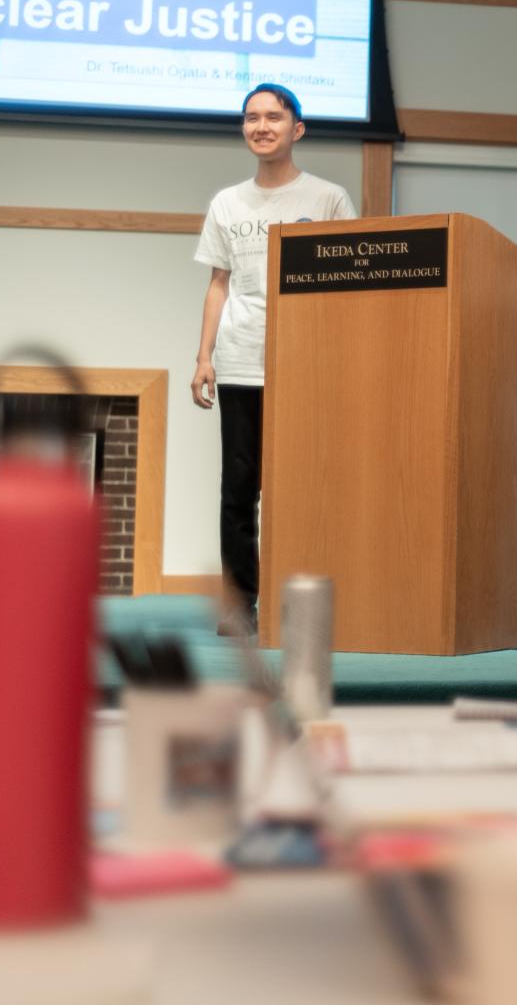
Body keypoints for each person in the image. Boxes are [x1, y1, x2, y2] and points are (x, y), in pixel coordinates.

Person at [192, 83, 354, 635]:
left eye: (273, 117)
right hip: (241, 360)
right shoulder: (227, 202)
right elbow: (219, 283)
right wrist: (203, 356)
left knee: (304, 489)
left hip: (306, 365)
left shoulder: (328, 199)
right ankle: (240, 606)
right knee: (238, 492)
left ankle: (304, 603)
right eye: (251, 117)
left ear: (296, 129)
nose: (261, 127)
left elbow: (348, 287)